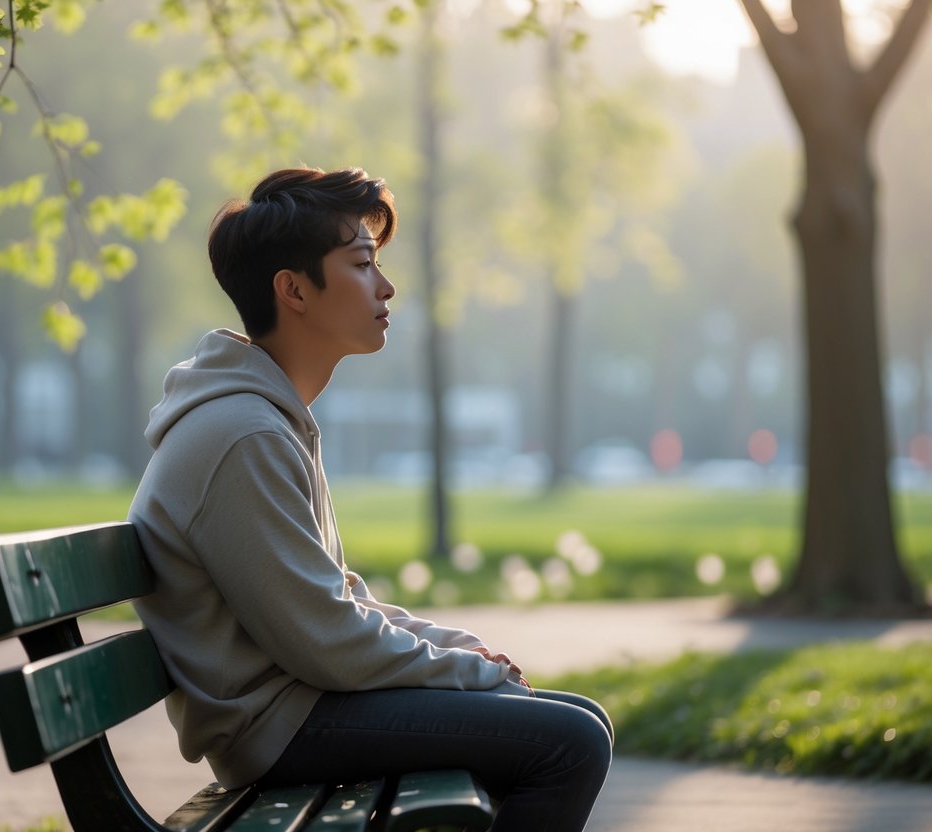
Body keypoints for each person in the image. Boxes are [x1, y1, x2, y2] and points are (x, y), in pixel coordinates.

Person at [129, 166, 612, 831]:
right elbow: (326, 639)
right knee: (568, 743)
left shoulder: (263, 417)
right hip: (279, 727)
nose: (385, 287)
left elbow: (336, 598)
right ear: (294, 290)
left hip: (302, 707)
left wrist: (458, 648)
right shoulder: (244, 434)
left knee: (580, 720)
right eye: (361, 264)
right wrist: (463, 673)